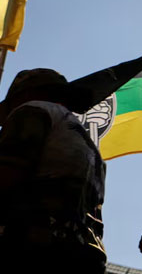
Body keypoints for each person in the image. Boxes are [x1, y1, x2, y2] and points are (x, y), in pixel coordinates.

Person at [0, 69, 106, 273]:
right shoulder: (88, 144)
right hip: (83, 254)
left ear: (24, 94)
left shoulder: (34, 110)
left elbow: (8, 173)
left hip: (31, 246)